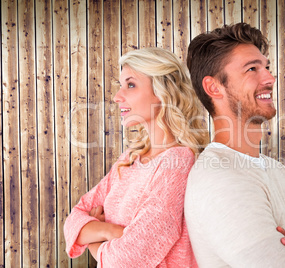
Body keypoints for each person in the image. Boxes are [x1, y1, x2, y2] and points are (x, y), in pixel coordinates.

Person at [184, 22, 285, 267]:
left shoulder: (276, 170)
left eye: (266, 67)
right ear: (213, 87)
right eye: (252, 69)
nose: (269, 77)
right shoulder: (219, 178)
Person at [64, 47, 208, 267]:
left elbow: (126, 261)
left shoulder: (178, 161)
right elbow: (74, 220)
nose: (116, 97)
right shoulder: (130, 158)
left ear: (163, 92)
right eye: (121, 85)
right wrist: (109, 230)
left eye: (130, 85)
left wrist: (94, 239)